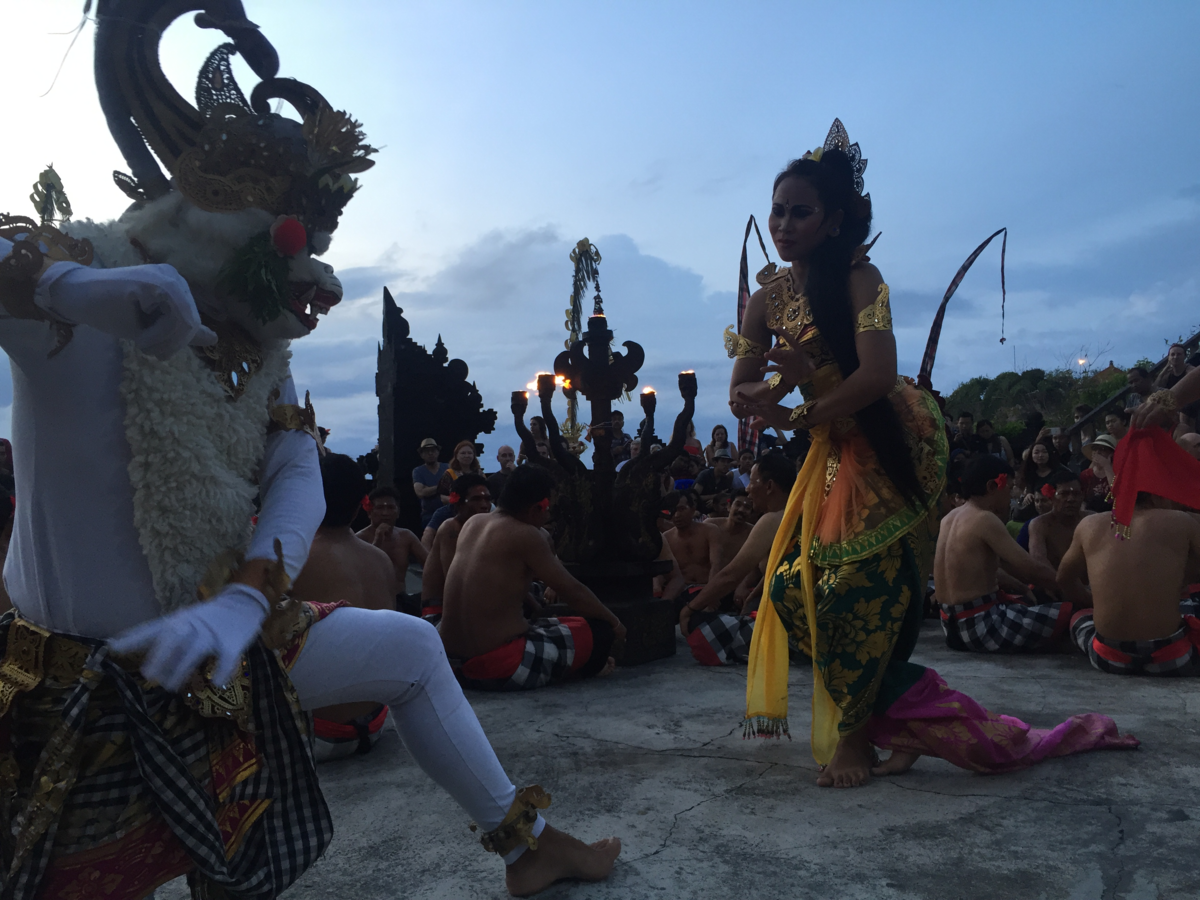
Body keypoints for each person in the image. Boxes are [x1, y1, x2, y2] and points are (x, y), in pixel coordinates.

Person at [0, 9, 619, 894]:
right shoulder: (82, 279)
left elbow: (294, 469)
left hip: (225, 639)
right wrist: (69, 288)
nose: (314, 272)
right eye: (293, 239)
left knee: (409, 651)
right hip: (77, 686)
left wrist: (247, 596)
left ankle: (529, 846)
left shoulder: (262, 349)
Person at [725, 122, 1134, 787]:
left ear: (833, 220)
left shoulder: (863, 279)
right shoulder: (768, 298)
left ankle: (857, 737)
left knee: (858, 592)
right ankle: (902, 725)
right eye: (778, 210)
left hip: (887, 447)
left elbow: (877, 375)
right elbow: (740, 391)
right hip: (829, 453)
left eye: (801, 212)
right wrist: (769, 395)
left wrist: (802, 397)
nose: (784, 224)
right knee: (790, 589)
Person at [438, 466, 627, 691]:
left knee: (561, 619)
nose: (548, 516)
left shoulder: (473, 523)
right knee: (600, 631)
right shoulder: (525, 534)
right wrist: (615, 623)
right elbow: (572, 590)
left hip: (450, 662)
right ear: (536, 508)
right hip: (497, 666)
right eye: (548, 509)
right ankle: (588, 666)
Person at [1059, 427, 1200, 675]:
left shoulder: (1089, 524)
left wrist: (1096, 602)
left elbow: (1063, 579)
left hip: (1109, 658)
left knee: (1079, 617)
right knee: (1190, 607)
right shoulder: (1182, 521)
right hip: (1171, 659)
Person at [294, 454, 398, 761]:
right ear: (360, 506)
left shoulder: (292, 559)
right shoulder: (381, 560)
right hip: (374, 724)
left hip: (319, 734)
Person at [935, 457, 1074, 652]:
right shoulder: (984, 518)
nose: (1010, 496)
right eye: (1009, 488)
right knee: (1075, 613)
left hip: (952, 627)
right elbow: (1030, 569)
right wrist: (1077, 590)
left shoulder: (949, 518)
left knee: (1029, 597)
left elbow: (984, 569)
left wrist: (1022, 587)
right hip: (982, 627)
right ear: (992, 486)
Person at [680, 455, 794, 666]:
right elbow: (776, 571)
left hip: (793, 630)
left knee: (699, 624)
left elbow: (731, 575)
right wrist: (752, 596)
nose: (748, 489)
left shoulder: (773, 519)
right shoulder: (799, 512)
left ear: (769, 486)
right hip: (799, 618)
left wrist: (690, 609)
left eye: (752, 481)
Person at [420, 473, 492, 620]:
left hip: (470, 606)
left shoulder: (483, 528)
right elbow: (455, 584)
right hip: (440, 612)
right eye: (476, 499)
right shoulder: (451, 529)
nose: (484, 505)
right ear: (459, 504)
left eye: (487, 499)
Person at [357, 485, 428, 608]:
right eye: (380, 508)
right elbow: (360, 574)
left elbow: (430, 565)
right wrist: (377, 541)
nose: (385, 513)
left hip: (401, 600)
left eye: (390, 508)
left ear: (398, 512)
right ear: (369, 512)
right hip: (370, 603)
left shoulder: (406, 536)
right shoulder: (359, 539)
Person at [1027, 470, 1094, 571]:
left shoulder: (1091, 520)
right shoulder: (1040, 524)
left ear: (1082, 496)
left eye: (1076, 494)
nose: (1071, 499)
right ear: (1051, 497)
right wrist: (1063, 580)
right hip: (1051, 579)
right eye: (1064, 494)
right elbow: (1038, 560)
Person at [662, 490, 722, 590]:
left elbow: (716, 564)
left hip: (707, 586)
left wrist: (710, 592)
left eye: (681, 509)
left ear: (693, 510)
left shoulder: (710, 530)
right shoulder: (666, 537)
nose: (676, 515)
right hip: (680, 590)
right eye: (673, 510)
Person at [706, 490, 756, 569]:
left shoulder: (753, 534)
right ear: (729, 506)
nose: (741, 510)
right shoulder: (710, 525)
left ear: (751, 513)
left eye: (747, 507)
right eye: (738, 504)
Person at [1015, 440, 1063, 521]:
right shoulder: (1028, 473)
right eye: (1036, 453)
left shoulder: (1058, 473)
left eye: (1044, 452)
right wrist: (1028, 495)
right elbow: (1026, 489)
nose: (1040, 455)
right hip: (1035, 510)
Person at [413, 437, 450, 529]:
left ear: (438, 452)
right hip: (429, 516)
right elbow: (420, 492)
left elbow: (454, 488)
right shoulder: (418, 471)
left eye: (433, 450)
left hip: (449, 513)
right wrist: (441, 486)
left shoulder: (448, 468)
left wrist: (428, 489)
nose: (430, 453)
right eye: (426, 451)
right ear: (421, 455)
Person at [1079, 434, 1117, 512]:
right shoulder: (1086, 474)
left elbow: (1117, 492)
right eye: (1095, 448)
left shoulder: (1118, 473)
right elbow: (1082, 499)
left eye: (1103, 449)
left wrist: (1106, 466)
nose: (1098, 452)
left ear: (1112, 453)